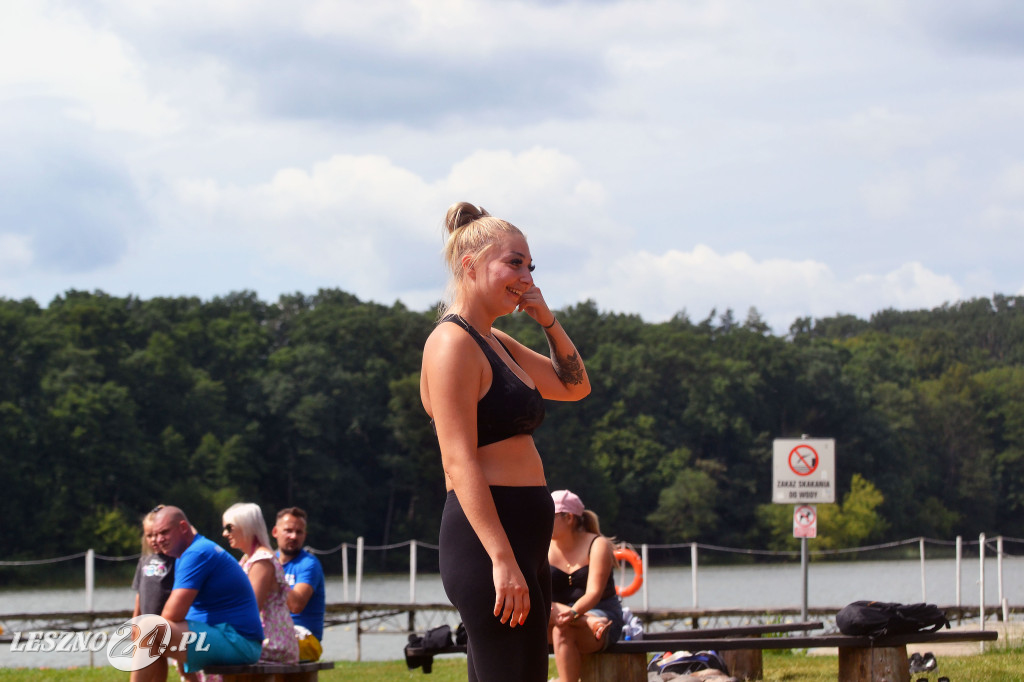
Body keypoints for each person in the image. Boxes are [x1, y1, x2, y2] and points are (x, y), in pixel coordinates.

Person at [420, 201, 591, 682]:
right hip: (489, 539)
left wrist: (548, 321)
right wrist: (501, 558)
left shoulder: (496, 341)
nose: (526, 277)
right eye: (514, 263)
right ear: (469, 265)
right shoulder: (452, 343)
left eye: (530, 266)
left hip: (525, 537)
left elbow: (575, 386)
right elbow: (457, 461)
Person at [130, 506, 262, 682]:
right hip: (226, 636)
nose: (159, 539)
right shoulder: (186, 554)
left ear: (183, 528)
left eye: (164, 532)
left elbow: (172, 615)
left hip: (239, 642)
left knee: (149, 628)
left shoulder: (197, 553)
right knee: (151, 633)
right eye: (155, 534)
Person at [547, 489, 624, 682]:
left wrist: (574, 614)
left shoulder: (598, 545)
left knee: (562, 630)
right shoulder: (542, 547)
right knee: (532, 614)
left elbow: (593, 594)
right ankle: (588, 621)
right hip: (558, 616)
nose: (543, 520)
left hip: (601, 615)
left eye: (549, 515)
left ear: (569, 518)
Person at [221, 503, 300, 665]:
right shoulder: (248, 559)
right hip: (260, 637)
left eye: (229, 528)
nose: (225, 533)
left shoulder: (261, 561)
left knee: (203, 649)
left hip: (270, 642)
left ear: (246, 526)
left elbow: (251, 608)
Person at [273, 506, 326, 661]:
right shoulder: (267, 562)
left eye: (299, 532)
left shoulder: (309, 564)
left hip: (305, 638)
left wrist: (273, 573)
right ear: (275, 532)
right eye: (288, 531)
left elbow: (296, 605)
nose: (293, 536)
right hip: (274, 633)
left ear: (305, 535)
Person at [131, 505, 175, 682]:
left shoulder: (175, 559)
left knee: (183, 668)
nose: (154, 540)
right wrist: (135, 619)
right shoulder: (144, 561)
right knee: (148, 659)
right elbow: (140, 593)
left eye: (157, 535)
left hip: (168, 622)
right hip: (146, 622)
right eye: (149, 536)